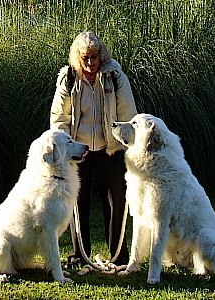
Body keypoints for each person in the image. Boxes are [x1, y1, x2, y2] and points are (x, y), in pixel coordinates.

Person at [50, 31, 137, 267]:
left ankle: (119, 256)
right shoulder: (68, 79)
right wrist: (68, 149)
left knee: (117, 201)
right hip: (79, 151)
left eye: (94, 57)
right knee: (78, 203)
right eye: (85, 58)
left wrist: (126, 146)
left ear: (101, 55)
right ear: (78, 57)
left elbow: (129, 116)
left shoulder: (115, 77)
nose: (90, 63)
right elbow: (59, 119)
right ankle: (79, 256)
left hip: (109, 150)